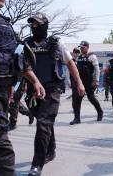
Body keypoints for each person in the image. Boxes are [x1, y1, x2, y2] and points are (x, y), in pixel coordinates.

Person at [0, 0, 45, 175]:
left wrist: (34, 80)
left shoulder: (5, 24)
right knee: (3, 158)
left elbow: (16, 57)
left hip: (1, 96)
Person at [24, 13, 85, 176]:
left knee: (43, 123)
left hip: (52, 90)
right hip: (33, 90)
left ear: (45, 25)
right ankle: (51, 151)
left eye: (37, 24)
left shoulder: (56, 43)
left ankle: (37, 164)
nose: (34, 27)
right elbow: (21, 66)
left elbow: (70, 64)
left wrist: (79, 82)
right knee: (44, 122)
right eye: (32, 24)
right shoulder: (26, 44)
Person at [70, 41, 103, 125]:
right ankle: (77, 118)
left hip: (89, 81)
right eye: (80, 47)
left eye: (83, 47)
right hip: (81, 81)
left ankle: (100, 112)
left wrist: (97, 80)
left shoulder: (92, 56)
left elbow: (97, 69)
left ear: (87, 47)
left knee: (91, 98)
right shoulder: (79, 57)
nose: (81, 49)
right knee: (77, 99)